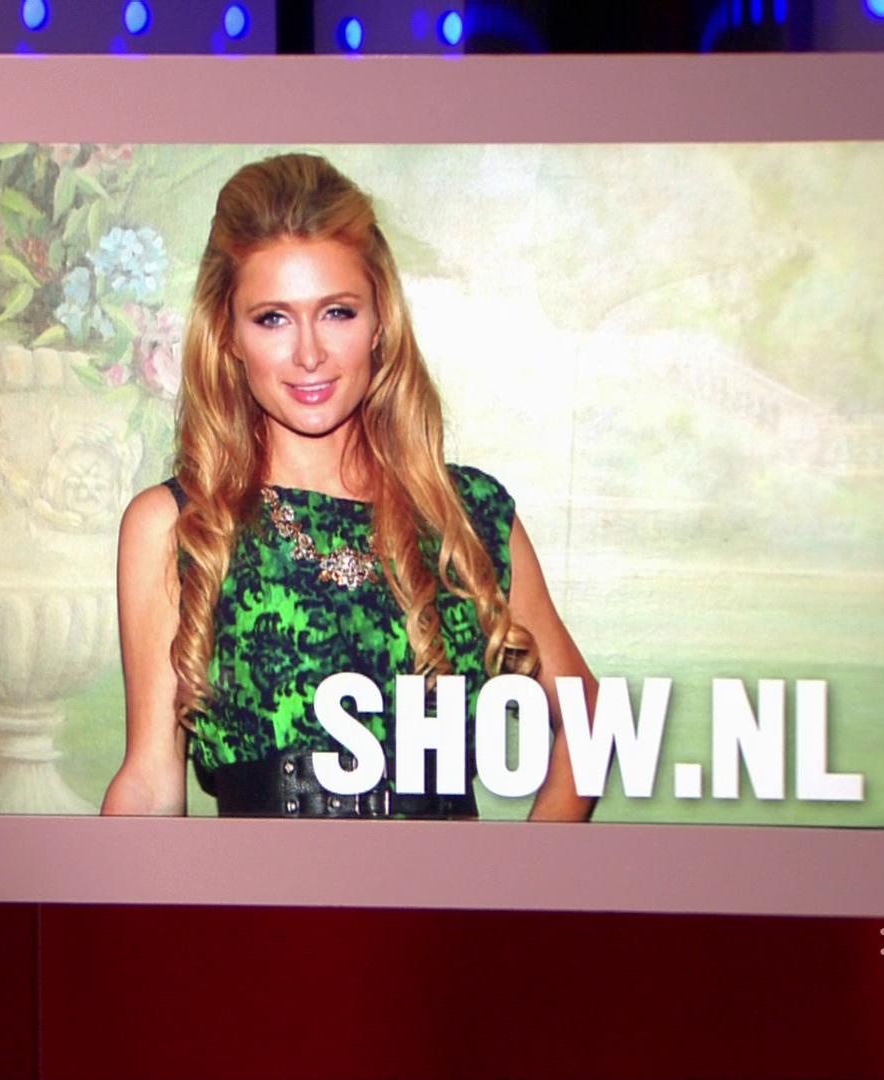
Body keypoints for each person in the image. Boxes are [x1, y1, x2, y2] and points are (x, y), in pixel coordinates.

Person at [102, 154, 596, 821]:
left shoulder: (470, 517)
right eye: (273, 318)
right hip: (258, 892)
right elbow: (149, 783)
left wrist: (521, 880)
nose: (309, 354)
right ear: (228, 334)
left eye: (336, 312)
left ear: (379, 320)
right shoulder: (178, 526)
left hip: (444, 893)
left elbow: (587, 719)